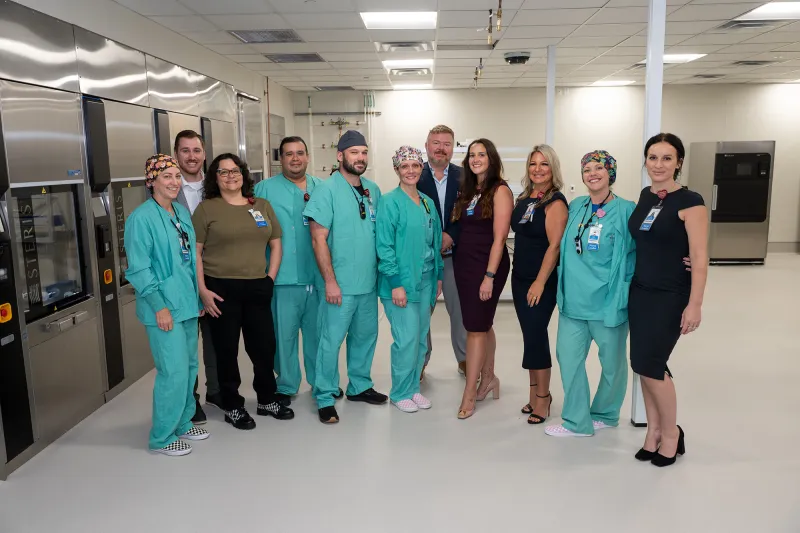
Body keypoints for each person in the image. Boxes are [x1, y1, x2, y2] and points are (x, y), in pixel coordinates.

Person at [192, 153, 294, 430]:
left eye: (234, 170)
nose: (230, 176)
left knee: (264, 347)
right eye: (223, 172)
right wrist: (202, 289)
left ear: (244, 174)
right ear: (215, 178)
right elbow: (196, 253)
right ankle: (233, 405)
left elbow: (276, 243)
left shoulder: (261, 205)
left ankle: (266, 399)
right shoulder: (206, 209)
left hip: (258, 286)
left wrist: (269, 279)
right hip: (220, 288)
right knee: (226, 350)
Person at [628, 133, 708, 466]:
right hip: (640, 291)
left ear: (678, 163)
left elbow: (700, 258)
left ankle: (672, 433)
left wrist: (695, 304)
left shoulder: (691, 202)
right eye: (653, 157)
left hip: (671, 295)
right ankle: (654, 431)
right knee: (643, 366)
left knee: (653, 365)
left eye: (666, 158)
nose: (658, 164)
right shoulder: (647, 195)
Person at [545, 151, 636, 438]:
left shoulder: (625, 209)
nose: (592, 173)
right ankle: (576, 421)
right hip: (573, 303)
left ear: (611, 174)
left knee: (613, 365)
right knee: (569, 360)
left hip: (608, 303)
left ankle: (606, 413)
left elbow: (647, 247)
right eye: (587, 169)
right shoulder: (576, 206)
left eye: (599, 168)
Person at [125, 154, 209, 456]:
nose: (174, 182)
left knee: (188, 368)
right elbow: (138, 269)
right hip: (162, 309)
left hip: (186, 305)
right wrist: (159, 306)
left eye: (176, 176)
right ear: (152, 182)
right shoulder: (141, 219)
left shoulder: (181, 214)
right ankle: (161, 436)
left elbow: (189, 261)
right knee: (171, 372)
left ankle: (183, 422)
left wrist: (197, 298)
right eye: (167, 177)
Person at [304, 130, 388, 424]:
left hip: (367, 283)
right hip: (339, 284)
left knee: (365, 337)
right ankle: (325, 395)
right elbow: (318, 239)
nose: (360, 158)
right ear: (340, 156)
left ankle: (359, 385)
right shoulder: (326, 190)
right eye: (354, 153)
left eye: (364, 152)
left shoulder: (372, 190)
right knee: (330, 340)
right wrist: (330, 281)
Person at [254, 136, 342, 407]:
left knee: (319, 335)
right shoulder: (263, 190)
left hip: (317, 277)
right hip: (282, 278)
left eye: (300, 153)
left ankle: (322, 383)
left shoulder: (322, 188)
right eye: (289, 154)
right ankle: (287, 384)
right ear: (280, 158)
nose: (295, 158)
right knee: (284, 336)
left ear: (307, 156)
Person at [376, 146, 444, 413]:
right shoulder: (389, 202)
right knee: (405, 339)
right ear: (397, 170)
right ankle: (399, 392)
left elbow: (435, 240)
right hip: (400, 284)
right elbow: (384, 247)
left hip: (425, 280)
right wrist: (395, 284)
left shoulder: (426, 201)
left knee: (419, 339)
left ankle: (413, 388)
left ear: (421, 168)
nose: (411, 171)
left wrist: (438, 275)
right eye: (405, 167)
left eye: (416, 166)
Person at [451, 138, 513, 419]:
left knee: (475, 328)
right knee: (482, 323)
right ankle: (489, 378)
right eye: (472, 155)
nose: (476, 159)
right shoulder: (468, 190)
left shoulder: (500, 190)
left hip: (488, 265)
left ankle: (470, 393)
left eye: (482, 154)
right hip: (465, 265)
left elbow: (500, 238)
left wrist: (489, 276)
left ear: (492, 158)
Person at [510, 145, 568, 425]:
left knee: (536, 335)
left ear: (552, 168)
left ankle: (543, 398)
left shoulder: (555, 202)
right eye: (533, 164)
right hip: (519, 278)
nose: (537, 169)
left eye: (544, 164)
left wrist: (539, 283)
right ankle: (534, 393)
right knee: (529, 336)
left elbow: (554, 246)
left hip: (540, 282)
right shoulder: (526, 197)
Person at [172, 129, 220, 425]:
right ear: (176, 155)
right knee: (185, 347)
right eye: (185, 150)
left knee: (216, 342)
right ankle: (190, 401)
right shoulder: (166, 189)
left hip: (213, 276)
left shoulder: (216, 188)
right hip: (179, 281)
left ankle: (216, 391)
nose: (191, 156)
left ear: (204, 154)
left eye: (197, 150)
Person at [417, 125, 467, 378]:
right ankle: (421, 361)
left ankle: (465, 359)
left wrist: (451, 235)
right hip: (424, 258)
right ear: (426, 146)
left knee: (459, 311)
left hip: (454, 257)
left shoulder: (465, 176)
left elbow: (471, 213)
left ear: (453, 147)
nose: (440, 148)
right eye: (435, 142)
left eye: (446, 143)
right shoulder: (415, 175)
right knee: (422, 313)